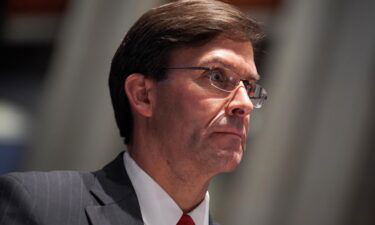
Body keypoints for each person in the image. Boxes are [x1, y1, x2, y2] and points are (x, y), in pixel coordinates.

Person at [0, 0, 267, 224]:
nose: (243, 103)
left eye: (250, 86)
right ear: (143, 94)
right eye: (217, 76)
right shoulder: (39, 205)